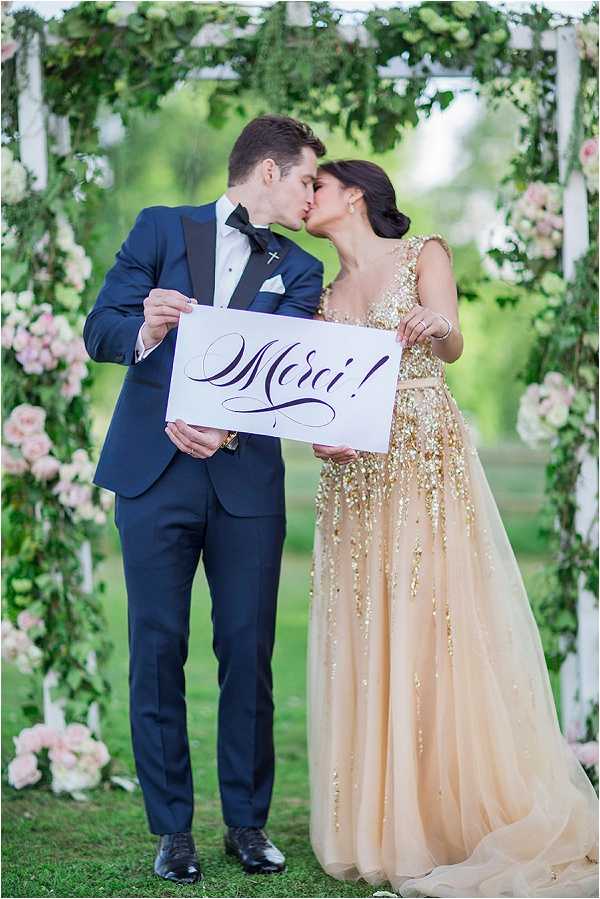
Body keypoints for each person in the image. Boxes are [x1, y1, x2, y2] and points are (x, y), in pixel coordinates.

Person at [305, 159, 598, 897]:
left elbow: (455, 341)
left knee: (431, 616)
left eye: (319, 186)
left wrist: (439, 325)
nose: (308, 197)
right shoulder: (319, 292)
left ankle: (447, 809)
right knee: (367, 629)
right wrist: (320, 437)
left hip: (424, 455)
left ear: (357, 195)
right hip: (354, 472)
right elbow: (315, 390)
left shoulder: (422, 253)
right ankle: (381, 819)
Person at [83, 115, 326, 884]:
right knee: (156, 650)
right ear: (266, 172)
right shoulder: (161, 228)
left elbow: (285, 374)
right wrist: (148, 328)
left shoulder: (303, 269)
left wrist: (219, 430)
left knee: (247, 651)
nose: (314, 194)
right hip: (152, 476)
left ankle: (248, 825)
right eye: (308, 179)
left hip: (245, 480)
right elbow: (101, 329)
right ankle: (173, 830)